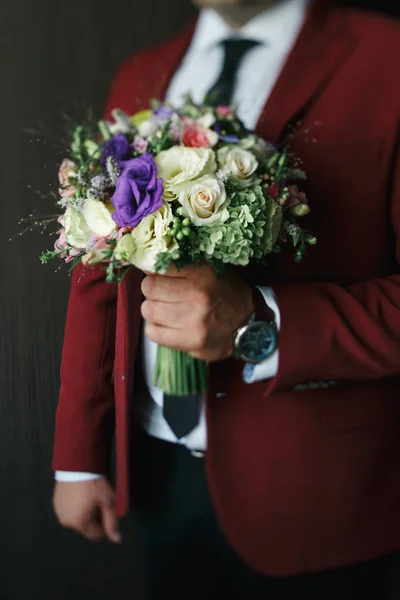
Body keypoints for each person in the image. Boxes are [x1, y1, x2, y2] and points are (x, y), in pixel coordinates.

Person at [52, 0, 400, 597]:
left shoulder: (387, 58)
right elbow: (98, 274)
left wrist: (262, 320)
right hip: (154, 477)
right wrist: (79, 457)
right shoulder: (140, 74)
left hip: (316, 499)